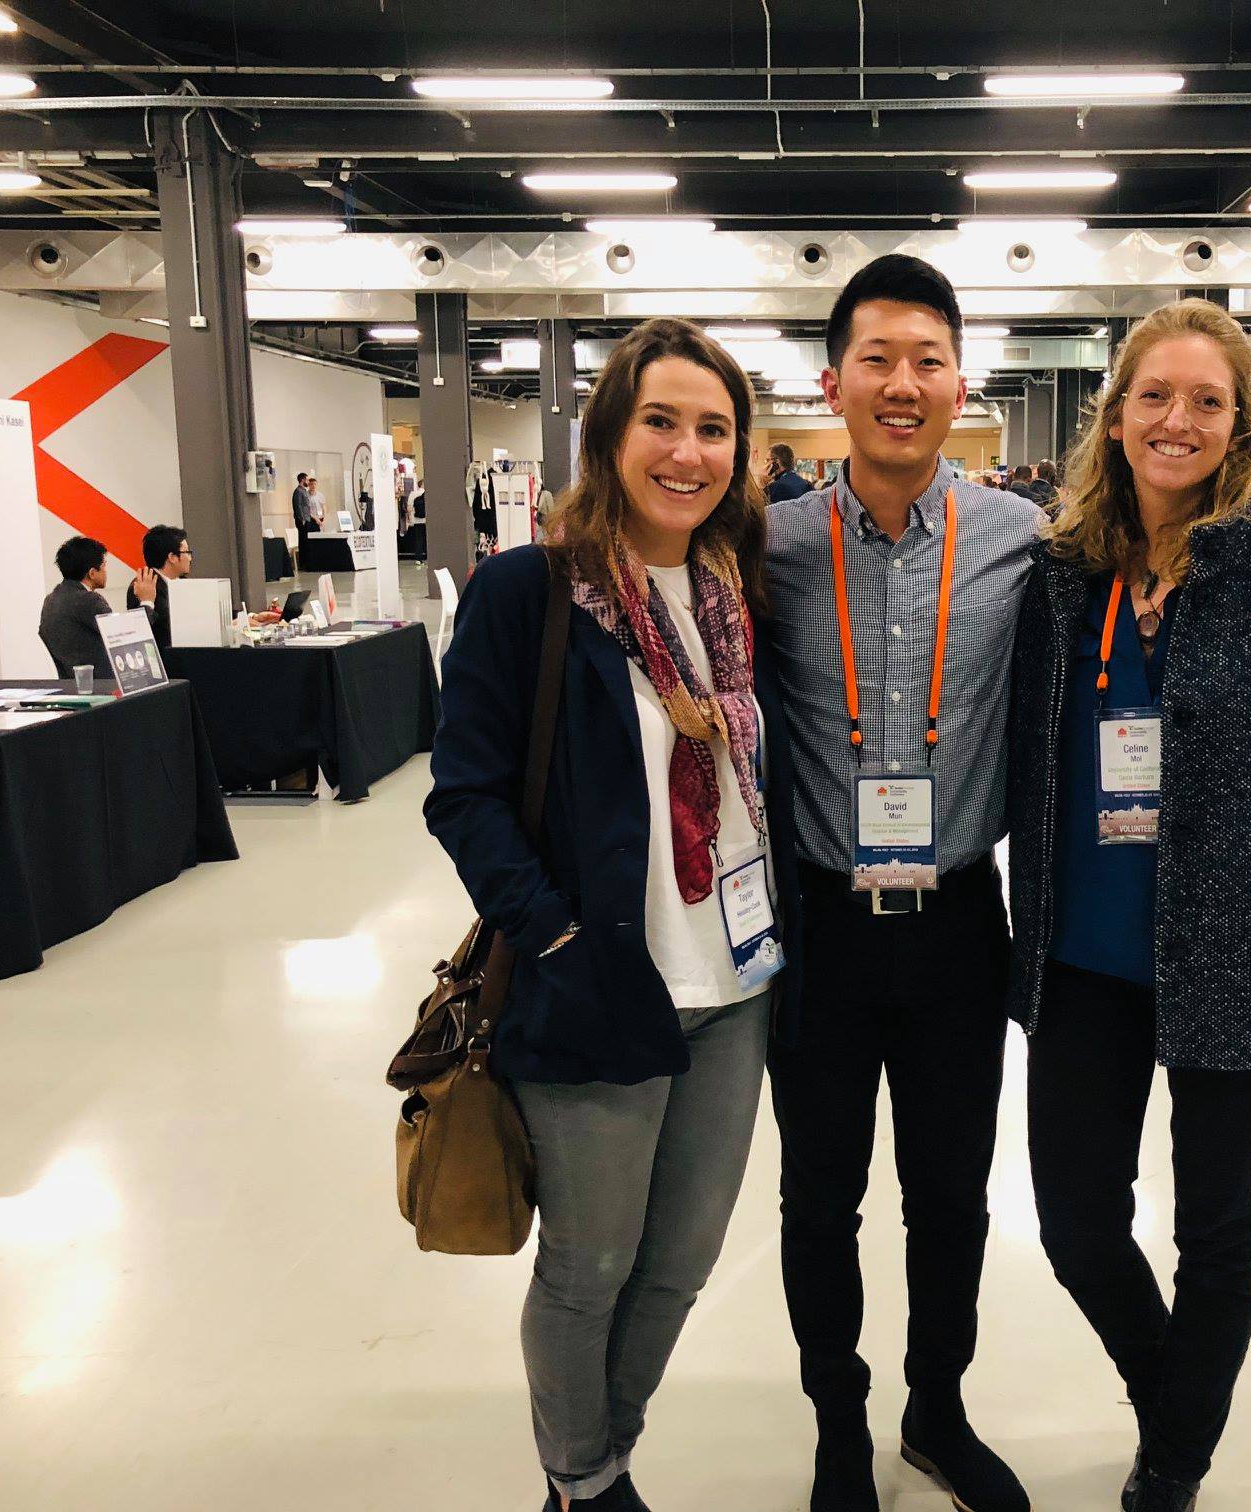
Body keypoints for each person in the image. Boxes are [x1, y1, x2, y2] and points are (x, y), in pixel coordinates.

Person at [1006, 299, 1251, 1512]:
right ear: (1114, 417)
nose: (1178, 421)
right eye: (1156, 398)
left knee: (1217, 1231)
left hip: (1243, 956)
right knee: (1074, 1219)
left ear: (1239, 427)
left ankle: (1172, 1465)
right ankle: (1173, 1387)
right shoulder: (1059, 575)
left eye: (1207, 402)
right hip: (1081, 957)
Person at [425, 319, 803, 1512]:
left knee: (682, 1265)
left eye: (712, 429)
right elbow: (465, 796)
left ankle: (597, 1457)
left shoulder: (743, 594)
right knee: (589, 1267)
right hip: (597, 985)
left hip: (734, 990)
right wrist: (555, 936)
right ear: (607, 435)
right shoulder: (528, 592)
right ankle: (587, 1486)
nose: (686, 452)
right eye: (660, 421)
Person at [764, 253, 1044, 1512]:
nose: (901, 382)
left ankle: (938, 1406)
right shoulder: (762, 549)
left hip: (954, 928)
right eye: (876, 358)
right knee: (818, 1197)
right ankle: (839, 1423)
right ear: (833, 382)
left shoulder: (1022, 541)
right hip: (814, 928)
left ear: (960, 385)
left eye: (926, 359)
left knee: (952, 1196)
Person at [39, 534, 150, 679]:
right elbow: (125, 636)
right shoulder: (89, 600)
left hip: (69, 683)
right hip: (100, 684)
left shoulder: (50, 599)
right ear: (92, 573)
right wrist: (146, 601)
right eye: (103, 566)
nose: (106, 571)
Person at [126, 524, 191, 651]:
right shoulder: (144, 585)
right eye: (187, 552)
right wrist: (147, 601)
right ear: (172, 557)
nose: (190, 558)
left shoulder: (183, 582)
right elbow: (140, 631)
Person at [291, 472, 317, 537]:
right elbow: (298, 506)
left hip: (307, 519)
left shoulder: (303, 490)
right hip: (303, 520)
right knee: (303, 540)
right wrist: (302, 519)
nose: (308, 482)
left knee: (306, 539)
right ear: (303, 480)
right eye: (307, 480)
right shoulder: (298, 491)